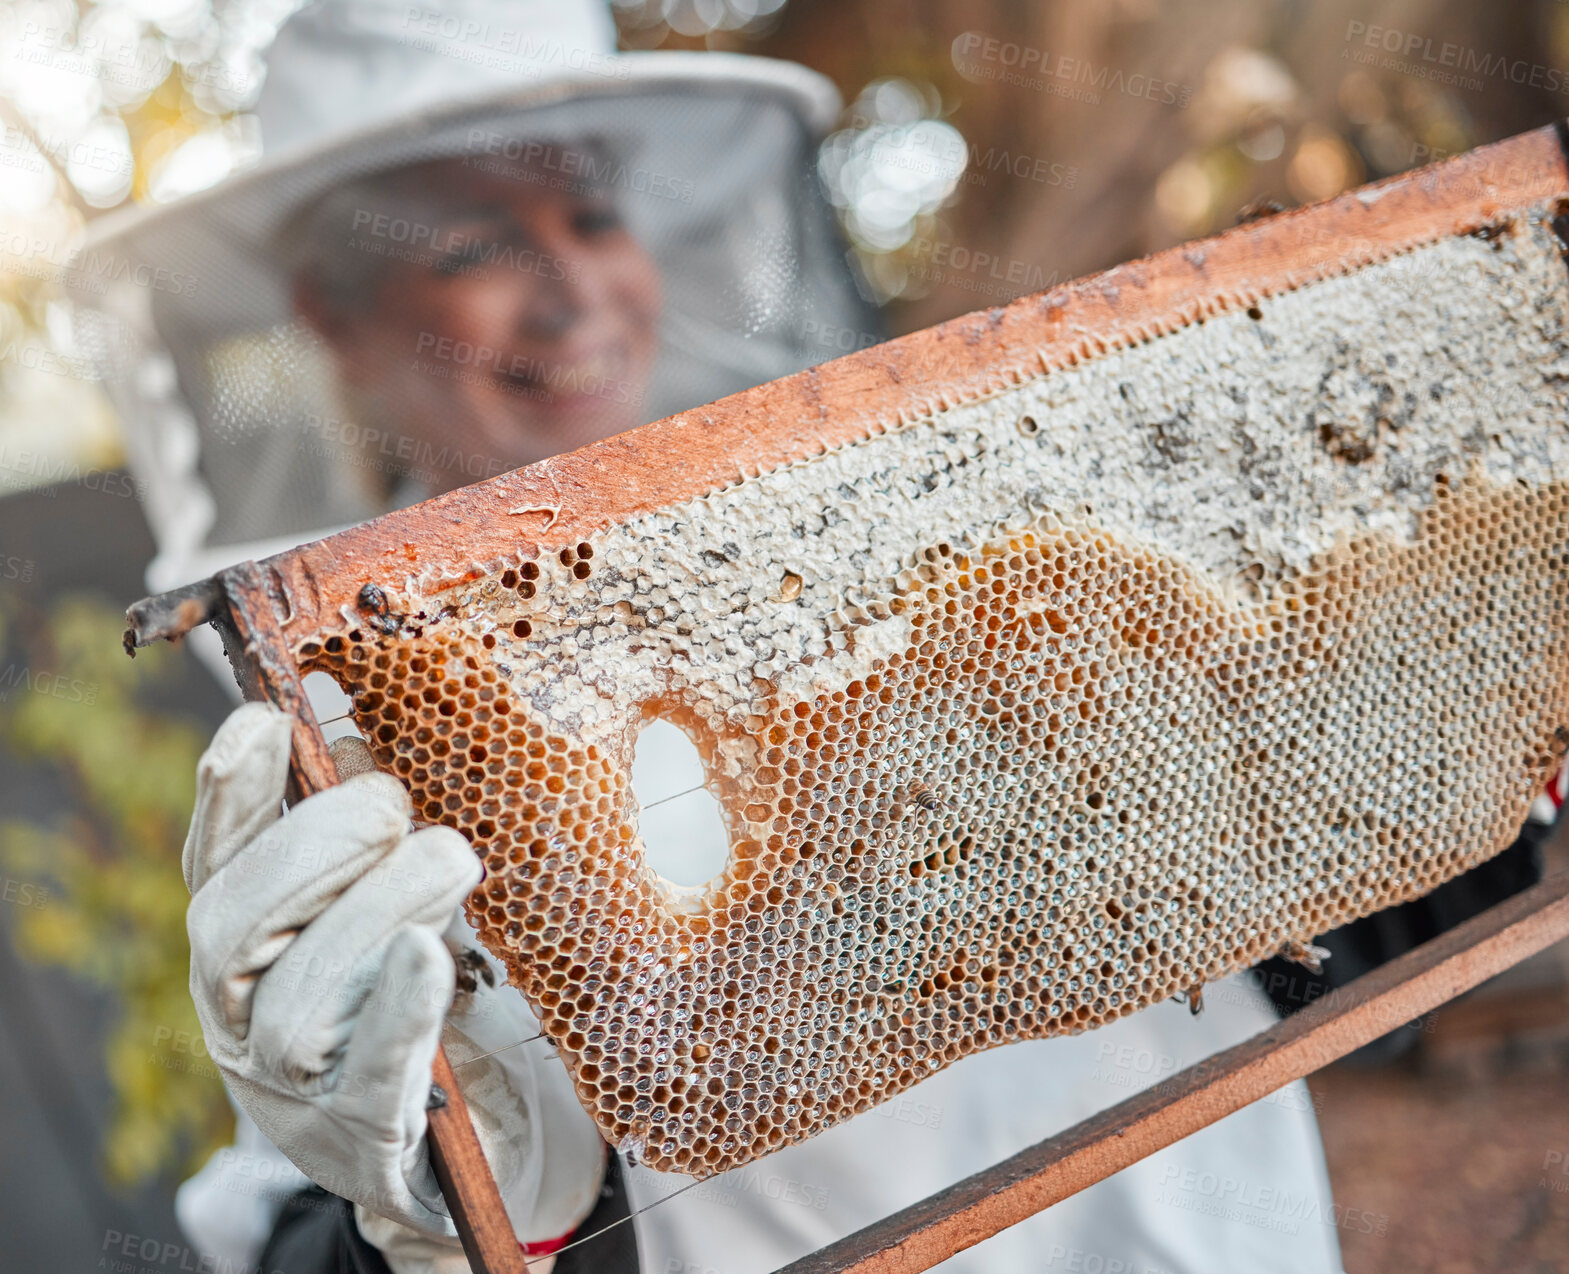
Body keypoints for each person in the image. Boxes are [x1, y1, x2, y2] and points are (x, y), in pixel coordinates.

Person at [85, 2, 1344, 1271]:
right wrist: (457, 1214)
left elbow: (1273, 923)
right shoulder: (329, 724)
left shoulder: (874, 515)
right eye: (474, 241)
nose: (574, 291)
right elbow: (305, 1198)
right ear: (340, 320)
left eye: (590, 215)